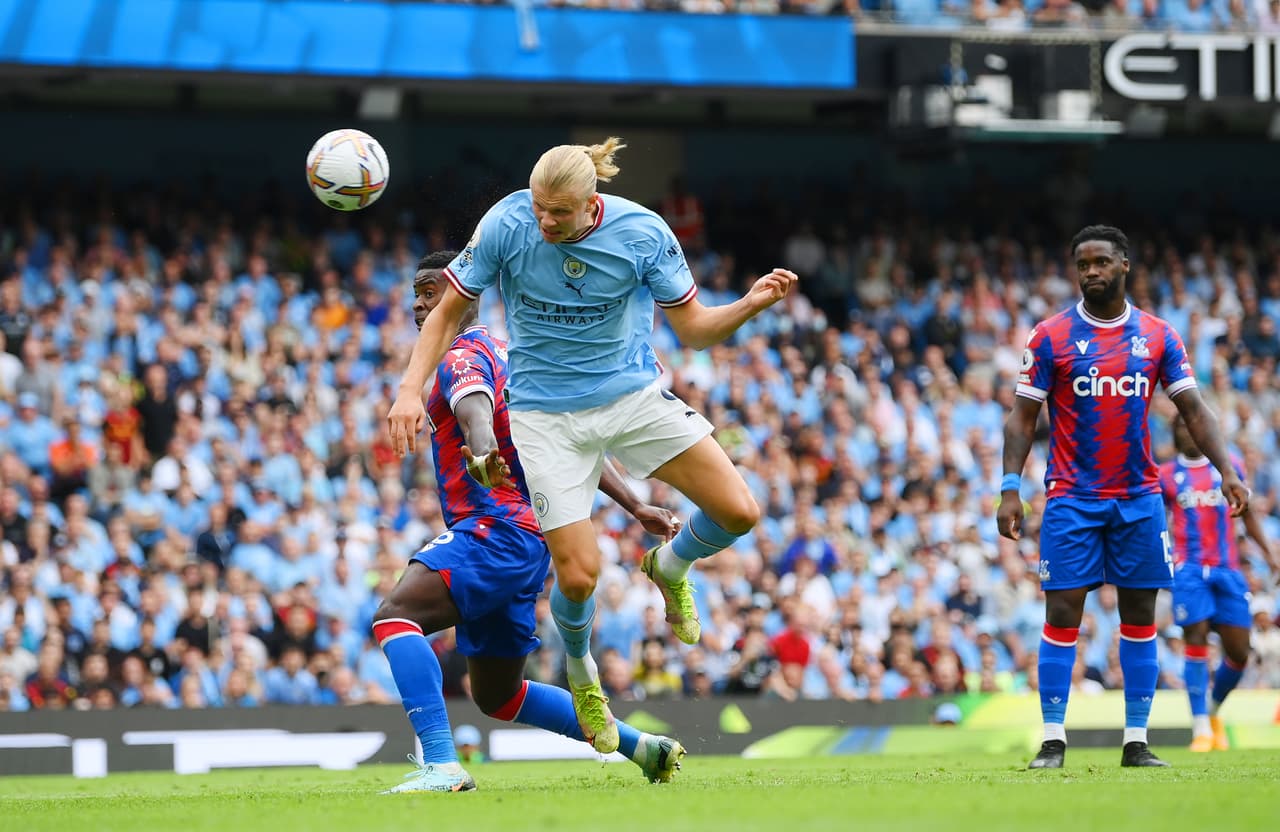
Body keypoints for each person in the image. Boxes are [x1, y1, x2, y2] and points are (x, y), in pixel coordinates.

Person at [386, 138, 798, 752]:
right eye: (538, 207)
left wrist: (750, 304)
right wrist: (409, 391)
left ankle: (671, 564)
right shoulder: (507, 221)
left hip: (631, 399)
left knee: (740, 510)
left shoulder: (644, 233)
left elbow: (695, 330)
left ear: (591, 204)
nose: (543, 221)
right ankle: (582, 673)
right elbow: (449, 311)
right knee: (579, 579)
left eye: (558, 212)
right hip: (546, 418)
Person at [374, 252, 687, 794]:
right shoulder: (513, 356)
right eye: (417, 295)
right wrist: (634, 505)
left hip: (494, 530)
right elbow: (570, 439)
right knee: (500, 696)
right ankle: (643, 748)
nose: (421, 305)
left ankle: (443, 765)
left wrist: (481, 450)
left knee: (394, 617)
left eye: (432, 290)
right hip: (531, 537)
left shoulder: (461, 357)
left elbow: (474, 409)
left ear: (466, 294)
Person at [997, 225, 1249, 770]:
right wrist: (1009, 488)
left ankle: (1136, 741)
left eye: (1101, 262)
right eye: (1082, 264)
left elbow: (1194, 410)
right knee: (1062, 610)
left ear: (1124, 265)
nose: (1092, 272)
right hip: (1072, 497)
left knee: (1140, 615)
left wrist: (1226, 470)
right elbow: (1021, 420)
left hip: (1139, 497)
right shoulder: (1050, 336)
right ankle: (1052, 739)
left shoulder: (1158, 336)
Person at [1159, 413, 1277, 752]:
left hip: (1228, 570)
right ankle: (1199, 729)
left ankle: (1211, 712)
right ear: (1175, 435)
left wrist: (1270, 555)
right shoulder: (1166, 475)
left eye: (1191, 425)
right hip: (1189, 570)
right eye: (1180, 426)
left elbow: (1249, 511)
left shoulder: (1229, 468)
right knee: (1195, 639)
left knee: (1239, 652)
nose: (1187, 432)